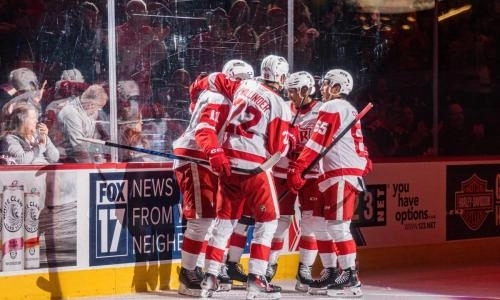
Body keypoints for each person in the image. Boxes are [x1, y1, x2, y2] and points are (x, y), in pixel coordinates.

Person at [193, 55, 293, 299]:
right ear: (281, 77)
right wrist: (288, 142)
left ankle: (210, 276)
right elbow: (277, 148)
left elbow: (215, 79)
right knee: (268, 221)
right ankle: (257, 278)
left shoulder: (244, 85)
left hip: (228, 163)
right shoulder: (280, 104)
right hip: (254, 167)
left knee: (224, 222)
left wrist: (196, 86)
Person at [286, 69, 371, 298]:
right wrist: (362, 162)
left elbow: (315, 143)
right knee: (329, 226)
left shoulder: (332, 107)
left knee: (337, 227)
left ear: (336, 88)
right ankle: (338, 274)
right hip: (340, 173)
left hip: (340, 173)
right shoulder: (347, 109)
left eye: (325, 84)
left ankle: (350, 277)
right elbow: (360, 149)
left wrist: (297, 167)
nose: (321, 88)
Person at [173, 59, 254, 297]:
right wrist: (214, 152)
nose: (242, 85)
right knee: (201, 220)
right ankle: (188, 275)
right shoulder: (218, 97)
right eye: (238, 80)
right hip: (196, 157)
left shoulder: (224, 95)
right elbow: (203, 130)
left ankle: (195, 270)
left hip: (203, 158)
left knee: (208, 221)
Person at [55, 84, 108, 163]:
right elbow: (79, 148)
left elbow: (93, 140)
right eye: (99, 107)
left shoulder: (87, 111)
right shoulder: (71, 113)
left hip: (80, 159)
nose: (98, 110)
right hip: (67, 162)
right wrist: (91, 166)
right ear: (91, 104)